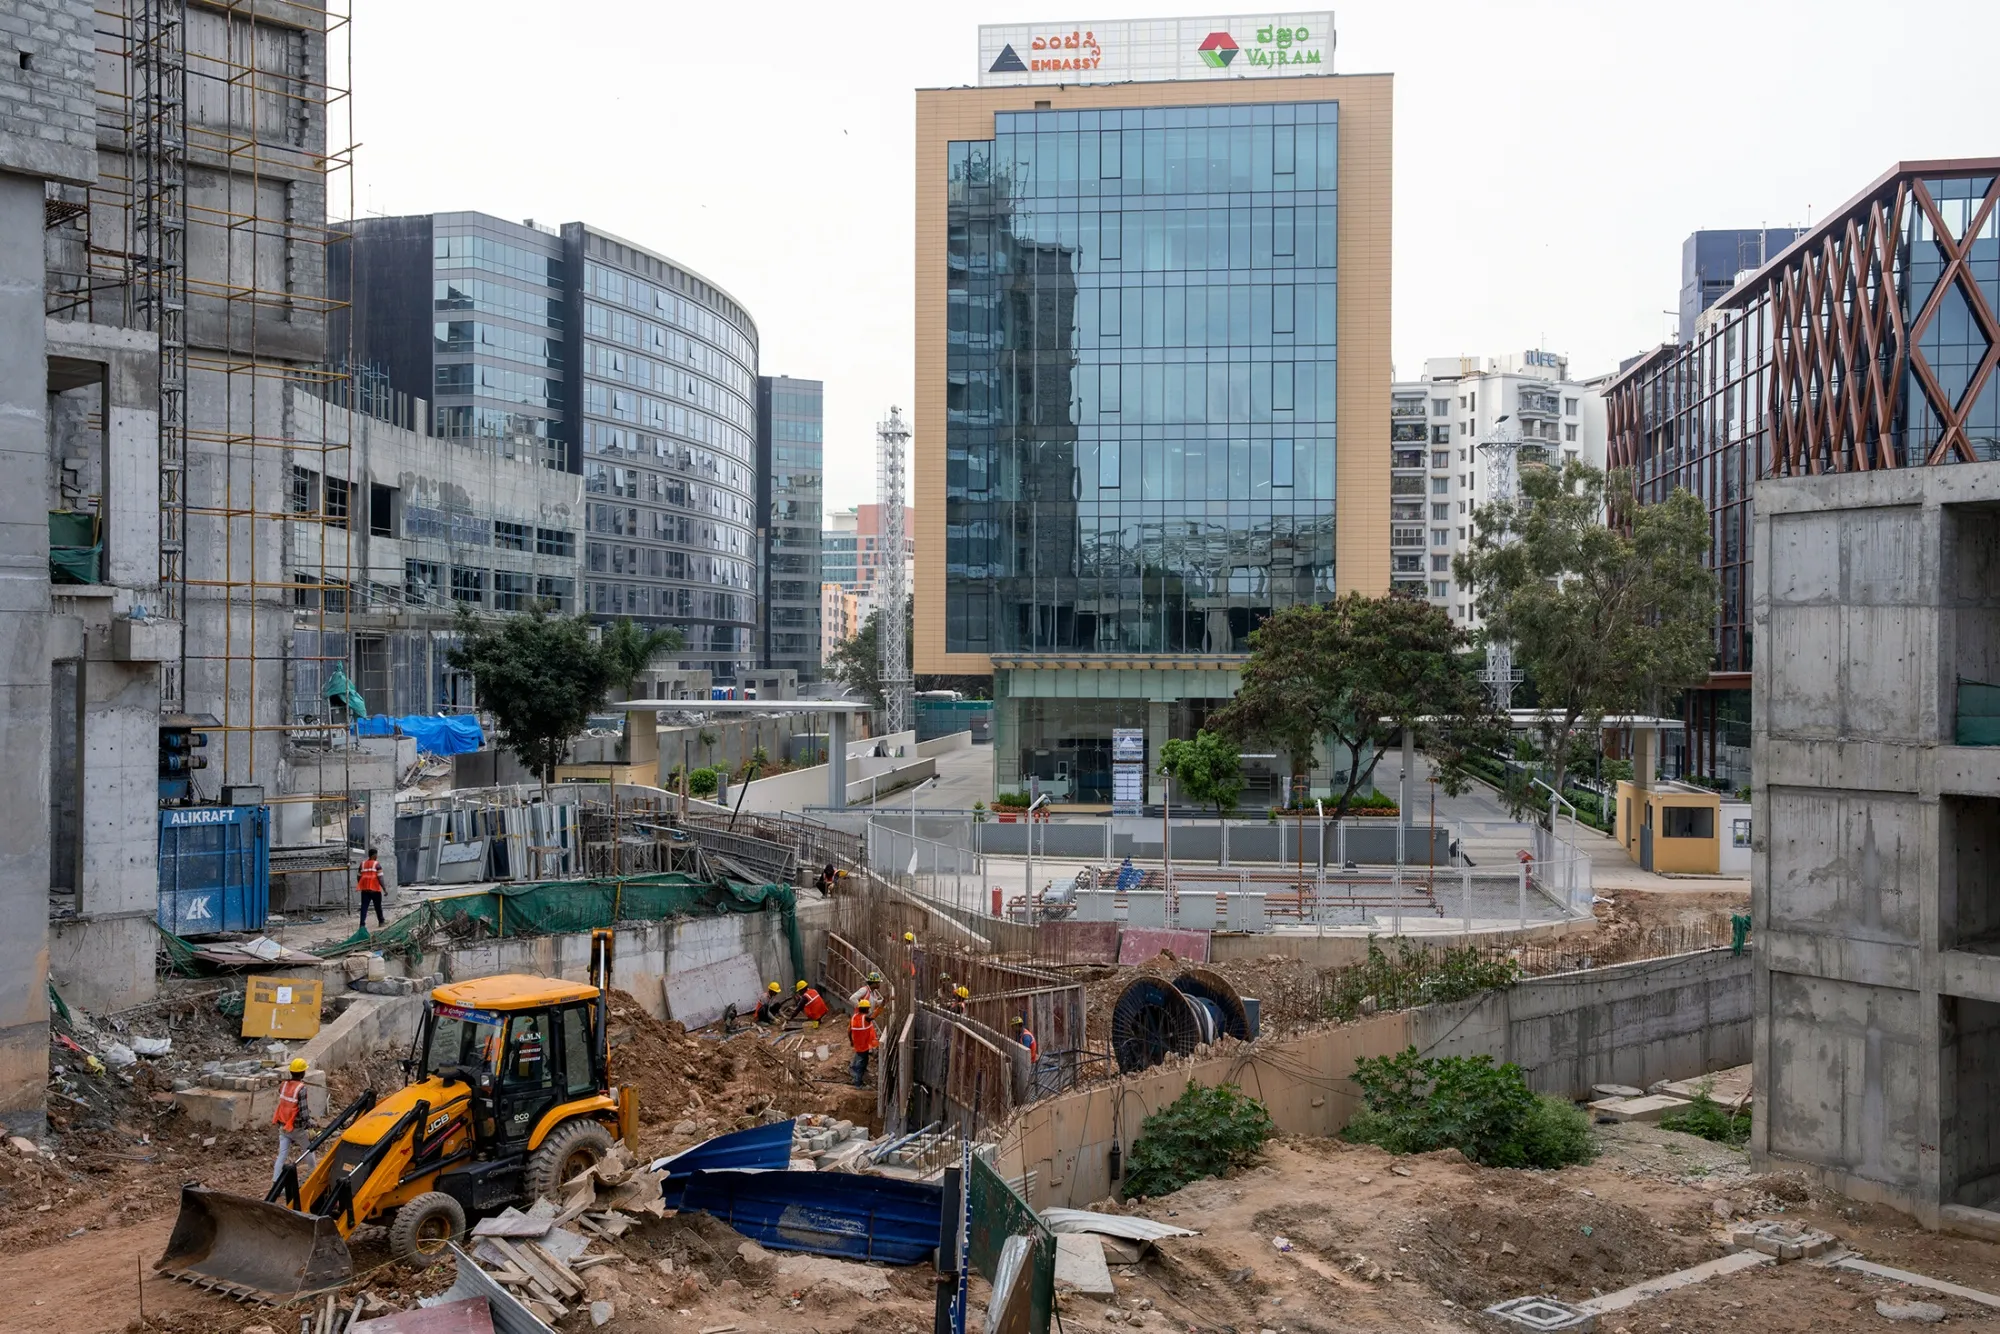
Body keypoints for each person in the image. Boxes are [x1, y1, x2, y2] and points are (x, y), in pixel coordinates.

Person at [272, 1057, 311, 1183]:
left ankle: (275, 1180)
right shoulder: (301, 1088)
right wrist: (309, 1125)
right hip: (296, 1127)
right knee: (309, 1149)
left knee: (282, 1154)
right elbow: (304, 1113)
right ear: (302, 1073)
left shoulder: (283, 1085)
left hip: (283, 1125)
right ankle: (314, 1172)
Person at [847, 998, 878, 1087]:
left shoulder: (854, 1017)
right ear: (866, 1009)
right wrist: (881, 1006)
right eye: (868, 1008)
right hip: (864, 1045)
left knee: (859, 1059)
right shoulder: (866, 1018)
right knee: (861, 1063)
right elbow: (874, 1015)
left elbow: (849, 1031)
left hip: (857, 1044)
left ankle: (854, 1073)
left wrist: (851, 1041)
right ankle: (858, 1083)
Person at [356, 846, 386, 935]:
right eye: (376, 855)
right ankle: (381, 921)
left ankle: (362, 925)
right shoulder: (377, 864)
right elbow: (380, 878)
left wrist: (362, 884)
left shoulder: (362, 864)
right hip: (375, 889)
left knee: (364, 907)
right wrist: (384, 889)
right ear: (374, 855)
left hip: (365, 890)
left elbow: (358, 876)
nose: (377, 856)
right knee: (378, 906)